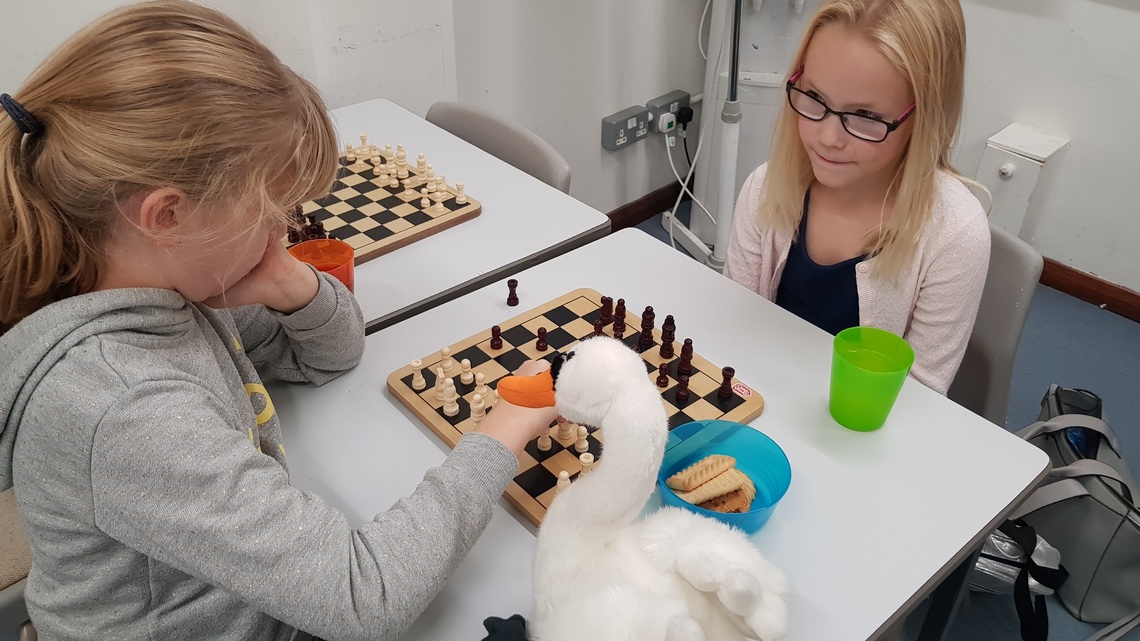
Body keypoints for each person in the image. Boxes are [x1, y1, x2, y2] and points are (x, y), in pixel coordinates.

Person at [0, 2, 557, 639]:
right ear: (167, 217)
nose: (284, 229)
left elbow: (331, 354)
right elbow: (363, 599)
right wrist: (499, 438)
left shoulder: (154, 292)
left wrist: (286, 281)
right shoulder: (126, 406)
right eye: (269, 209)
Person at [724, 0, 990, 395]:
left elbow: (919, 401)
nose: (828, 138)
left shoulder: (955, 235)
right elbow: (735, 329)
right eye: (813, 96)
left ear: (926, 116)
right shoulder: (766, 188)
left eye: (865, 115)